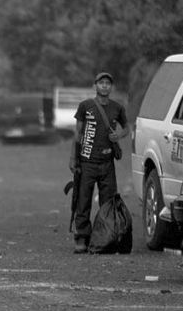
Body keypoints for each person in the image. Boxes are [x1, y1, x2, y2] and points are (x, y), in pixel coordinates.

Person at [68, 72, 128, 254]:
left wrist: (119, 135)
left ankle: (104, 237)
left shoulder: (118, 108)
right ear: (95, 85)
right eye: (101, 83)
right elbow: (77, 134)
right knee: (83, 200)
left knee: (108, 202)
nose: (104, 86)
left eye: (108, 83)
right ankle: (81, 238)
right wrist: (73, 158)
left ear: (111, 87)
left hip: (107, 163)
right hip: (87, 162)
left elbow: (127, 128)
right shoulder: (85, 106)